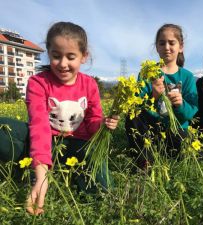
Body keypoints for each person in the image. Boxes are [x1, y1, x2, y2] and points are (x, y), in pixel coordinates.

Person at [0, 22, 119, 215]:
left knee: (103, 191)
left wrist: (104, 124)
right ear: (48, 53)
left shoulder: (89, 85)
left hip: (79, 145)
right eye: (56, 56)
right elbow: (39, 126)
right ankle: (35, 171)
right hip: (45, 142)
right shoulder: (38, 83)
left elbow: (92, 123)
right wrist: (41, 175)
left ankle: (72, 176)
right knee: (3, 128)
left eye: (70, 57)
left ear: (83, 57)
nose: (63, 64)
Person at [125, 24, 198, 168]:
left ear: (180, 47)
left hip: (176, 129)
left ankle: (168, 153)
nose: (166, 47)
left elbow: (192, 111)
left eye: (172, 43)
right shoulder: (147, 72)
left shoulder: (187, 76)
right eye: (162, 43)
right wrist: (154, 96)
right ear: (157, 47)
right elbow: (138, 104)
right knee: (132, 114)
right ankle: (145, 161)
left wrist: (180, 105)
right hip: (151, 130)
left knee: (191, 154)